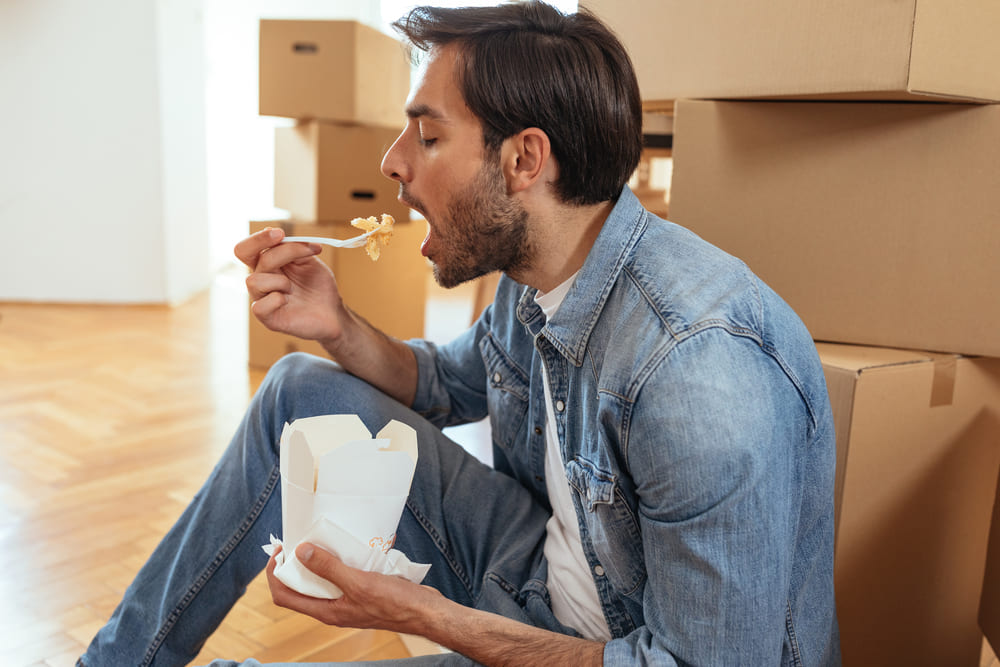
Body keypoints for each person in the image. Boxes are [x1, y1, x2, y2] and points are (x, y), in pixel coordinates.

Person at [80, 2, 840, 665]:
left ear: (523, 159)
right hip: (535, 567)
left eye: (428, 137)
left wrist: (429, 618)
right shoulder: (541, 270)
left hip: (606, 647)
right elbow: (446, 383)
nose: (392, 163)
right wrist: (336, 325)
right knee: (296, 389)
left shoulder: (696, 369)